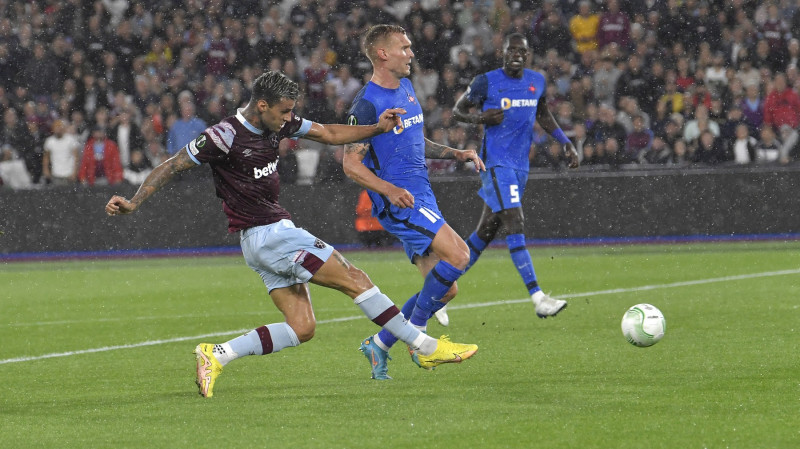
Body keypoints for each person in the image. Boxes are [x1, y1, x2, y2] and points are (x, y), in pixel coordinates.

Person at [104, 71, 478, 398]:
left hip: (260, 241)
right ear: (261, 105)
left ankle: (217, 354)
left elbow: (330, 133)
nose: (288, 119)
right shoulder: (223, 136)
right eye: (283, 111)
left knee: (302, 328)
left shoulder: (277, 123)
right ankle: (423, 345)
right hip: (270, 235)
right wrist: (135, 202)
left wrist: (377, 129)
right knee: (355, 279)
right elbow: (173, 165)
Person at [342, 25, 486, 380]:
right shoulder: (366, 104)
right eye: (403, 48)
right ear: (382, 54)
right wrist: (389, 191)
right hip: (401, 202)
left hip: (422, 196)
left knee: (445, 288)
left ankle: (380, 343)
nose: (410, 53)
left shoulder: (405, 88)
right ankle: (420, 343)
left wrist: (455, 153)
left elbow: (414, 138)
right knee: (460, 255)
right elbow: (350, 163)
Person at [452, 32, 579, 320]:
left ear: (528, 54)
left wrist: (566, 142)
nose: (516, 55)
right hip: (496, 163)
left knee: (484, 233)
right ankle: (538, 297)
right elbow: (457, 111)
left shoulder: (537, 81)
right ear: (504, 53)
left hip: (520, 166)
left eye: (522, 51)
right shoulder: (487, 81)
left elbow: (543, 114)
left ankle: (439, 290)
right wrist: (481, 118)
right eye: (511, 50)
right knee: (515, 221)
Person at [42, 119, 81, 186]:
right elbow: (46, 158)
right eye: (56, 127)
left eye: (59, 127)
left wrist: (75, 172)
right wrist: (46, 170)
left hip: (69, 173)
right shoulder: (50, 141)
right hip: (56, 174)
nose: (58, 129)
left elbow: (76, 157)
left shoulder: (70, 139)